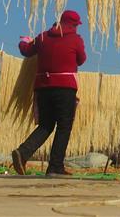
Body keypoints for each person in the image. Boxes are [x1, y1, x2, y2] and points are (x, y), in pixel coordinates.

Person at [11, 10, 87, 177]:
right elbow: (81, 59)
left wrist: (25, 41)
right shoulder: (75, 39)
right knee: (64, 126)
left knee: (46, 125)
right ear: (74, 25)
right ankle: (55, 166)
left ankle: (23, 152)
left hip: (42, 87)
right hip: (65, 88)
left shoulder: (43, 37)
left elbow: (26, 50)